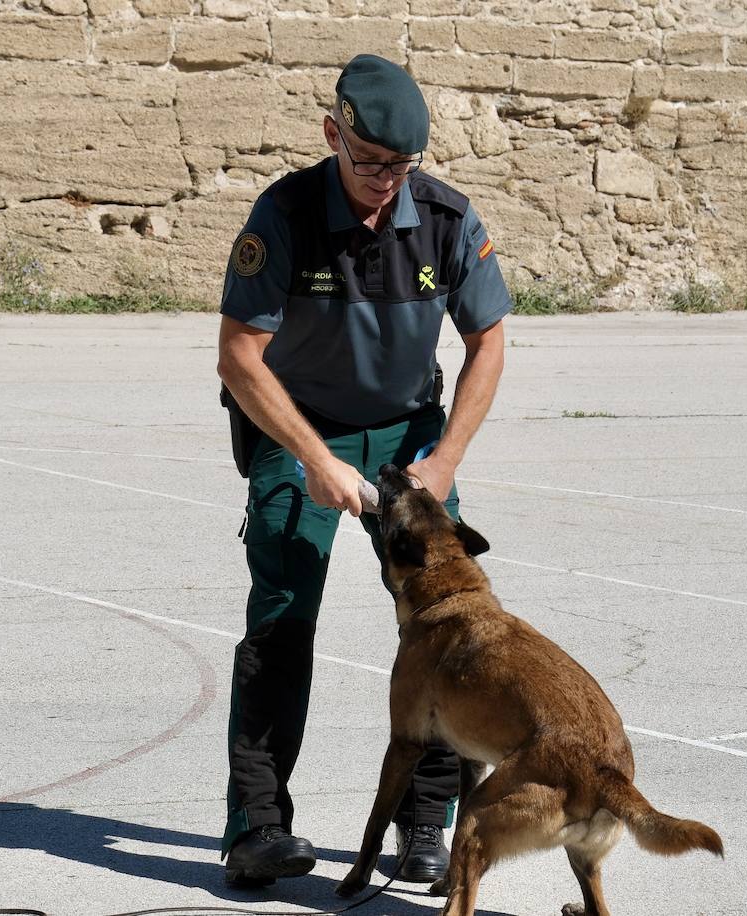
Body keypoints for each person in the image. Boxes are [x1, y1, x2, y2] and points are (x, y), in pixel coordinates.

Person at [215, 53, 513, 889]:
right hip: (296, 425)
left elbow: (488, 340)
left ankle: (429, 823)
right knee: (282, 612)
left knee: (450, 620)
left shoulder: (448, 221)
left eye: (401, 167)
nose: (386, 182)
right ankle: (257, 827)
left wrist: (444, 457)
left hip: (407, 438)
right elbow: (240, 357)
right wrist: (310, 457)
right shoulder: (283, 215)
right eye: (369, 162)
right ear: (331, 134)